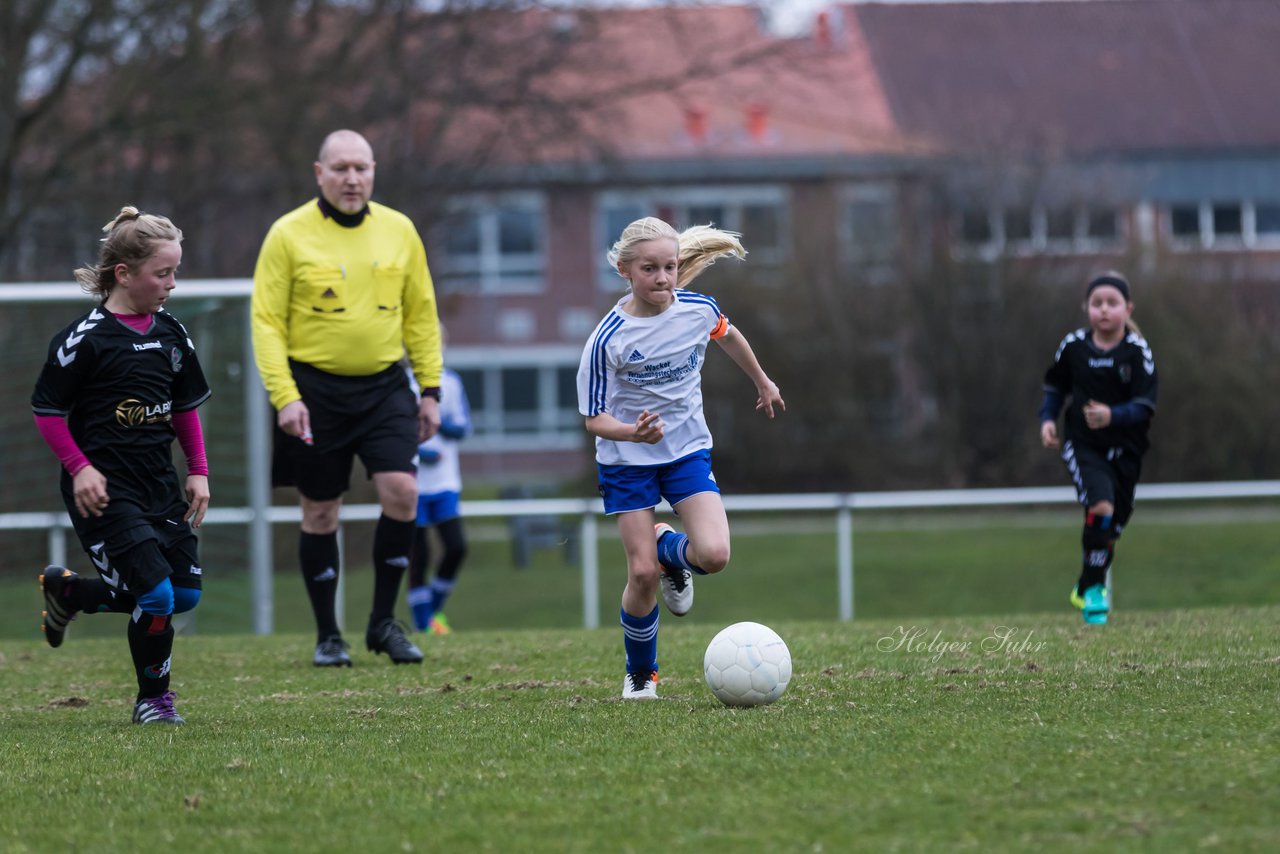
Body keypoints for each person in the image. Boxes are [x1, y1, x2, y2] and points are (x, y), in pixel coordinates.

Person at [251, 129, 443, 666]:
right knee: (319, 510)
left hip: (385, 386)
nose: (352, 178)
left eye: (361, 167)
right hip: (313, 391)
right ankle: (327, 636)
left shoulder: (400, 230)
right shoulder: (287, 235)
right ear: (319, 173)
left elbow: (421, 315)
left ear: (374, 170)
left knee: (403, 492)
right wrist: (285, 397)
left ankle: (383, 623)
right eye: (340, 168)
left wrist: (430, 389)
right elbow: (265, 323)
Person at [576, 217, 785, 700]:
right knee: (641, 573)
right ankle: (641, 675)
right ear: (625, 271)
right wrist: (633, 432)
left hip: (687, 451)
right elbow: (594, 420)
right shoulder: (608, 339)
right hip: (627, 460)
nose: (664, 278)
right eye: (650, 269)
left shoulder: (696, 309)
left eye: (670, 267)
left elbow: (728, 335)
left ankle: (670, 548)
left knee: (714, 555)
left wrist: (762, 380)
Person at [32, 206, 211, 725]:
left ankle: (71, 593)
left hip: (159, 485)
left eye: (175, 272)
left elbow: (183, 407)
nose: (172, 284)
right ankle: (153, 701)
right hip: (105, 492)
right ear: (124, 274)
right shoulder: (84, 339)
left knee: (184, 595)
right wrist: (80, 467)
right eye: (163, 273)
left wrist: (197, 469)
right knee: (155, 596)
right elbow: (47, 411)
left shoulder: (173, 333)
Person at [1040, 271, 1158, 626]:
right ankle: (1094, 594)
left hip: (1126, 451)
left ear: (1127, 308)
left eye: (1112, 302)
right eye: (1097, 303)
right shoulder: (1074, 346)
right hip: (1083, 445)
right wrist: (1047, 418)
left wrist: (1112, 415)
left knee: (1111, 526)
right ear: (1086, 308)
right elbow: (1055, 388)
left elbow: (1145, 406)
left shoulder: (1137, 352)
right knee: (1101, 505)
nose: (1104, 310)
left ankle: (1084, 584)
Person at [404, 352, 472, 635]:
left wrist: (438, 422)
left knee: (456, 547)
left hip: (445, 482)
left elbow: (463, 427)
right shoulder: (400, 383)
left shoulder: (451, 382)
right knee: (418, 554)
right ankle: (424, 624)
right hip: (411, 481)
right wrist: (418, 450)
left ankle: (431, 612)